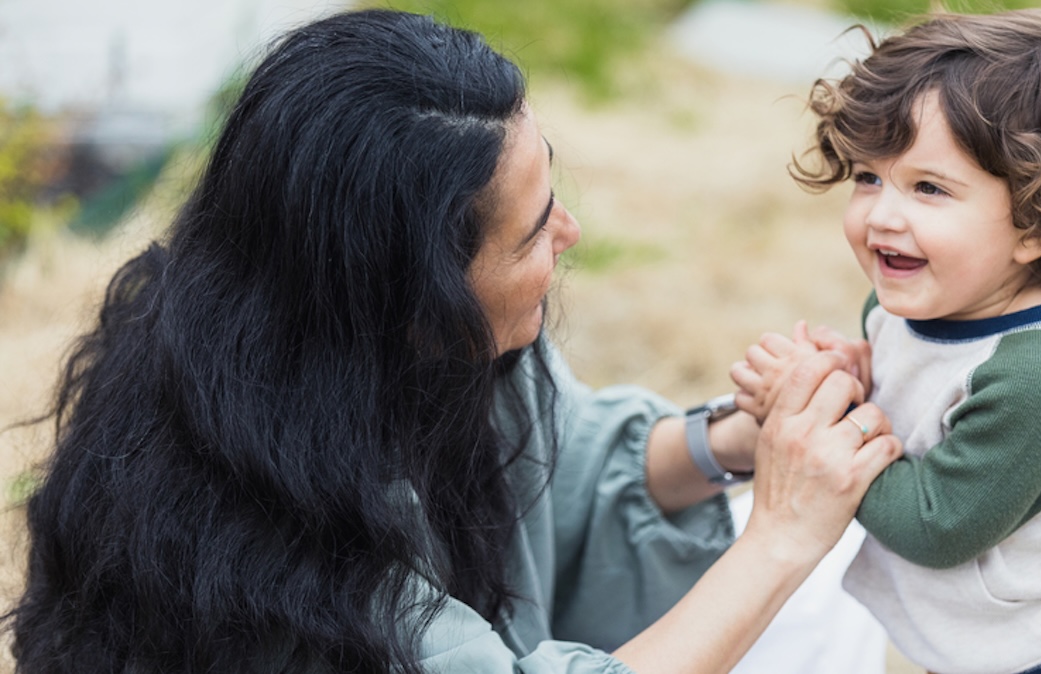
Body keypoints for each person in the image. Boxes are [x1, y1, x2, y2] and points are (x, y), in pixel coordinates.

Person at [5, 9, 903, 674]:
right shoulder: (259, 553)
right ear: (414, 300)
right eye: (533, 232)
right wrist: (781, 534)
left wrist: (735, 443)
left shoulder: (385, 342)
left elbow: (568, 464)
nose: (573, 234)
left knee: (827, 580)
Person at [732, 9, 1041, 674]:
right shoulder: (908, 301)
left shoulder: (1038, 376)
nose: (882, 215)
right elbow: (914, 390)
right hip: (1004, 633)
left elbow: (935, 525)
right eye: (868, 176)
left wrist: (818, 421)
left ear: (1038, 226)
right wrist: (849, 375)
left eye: (928, 188)